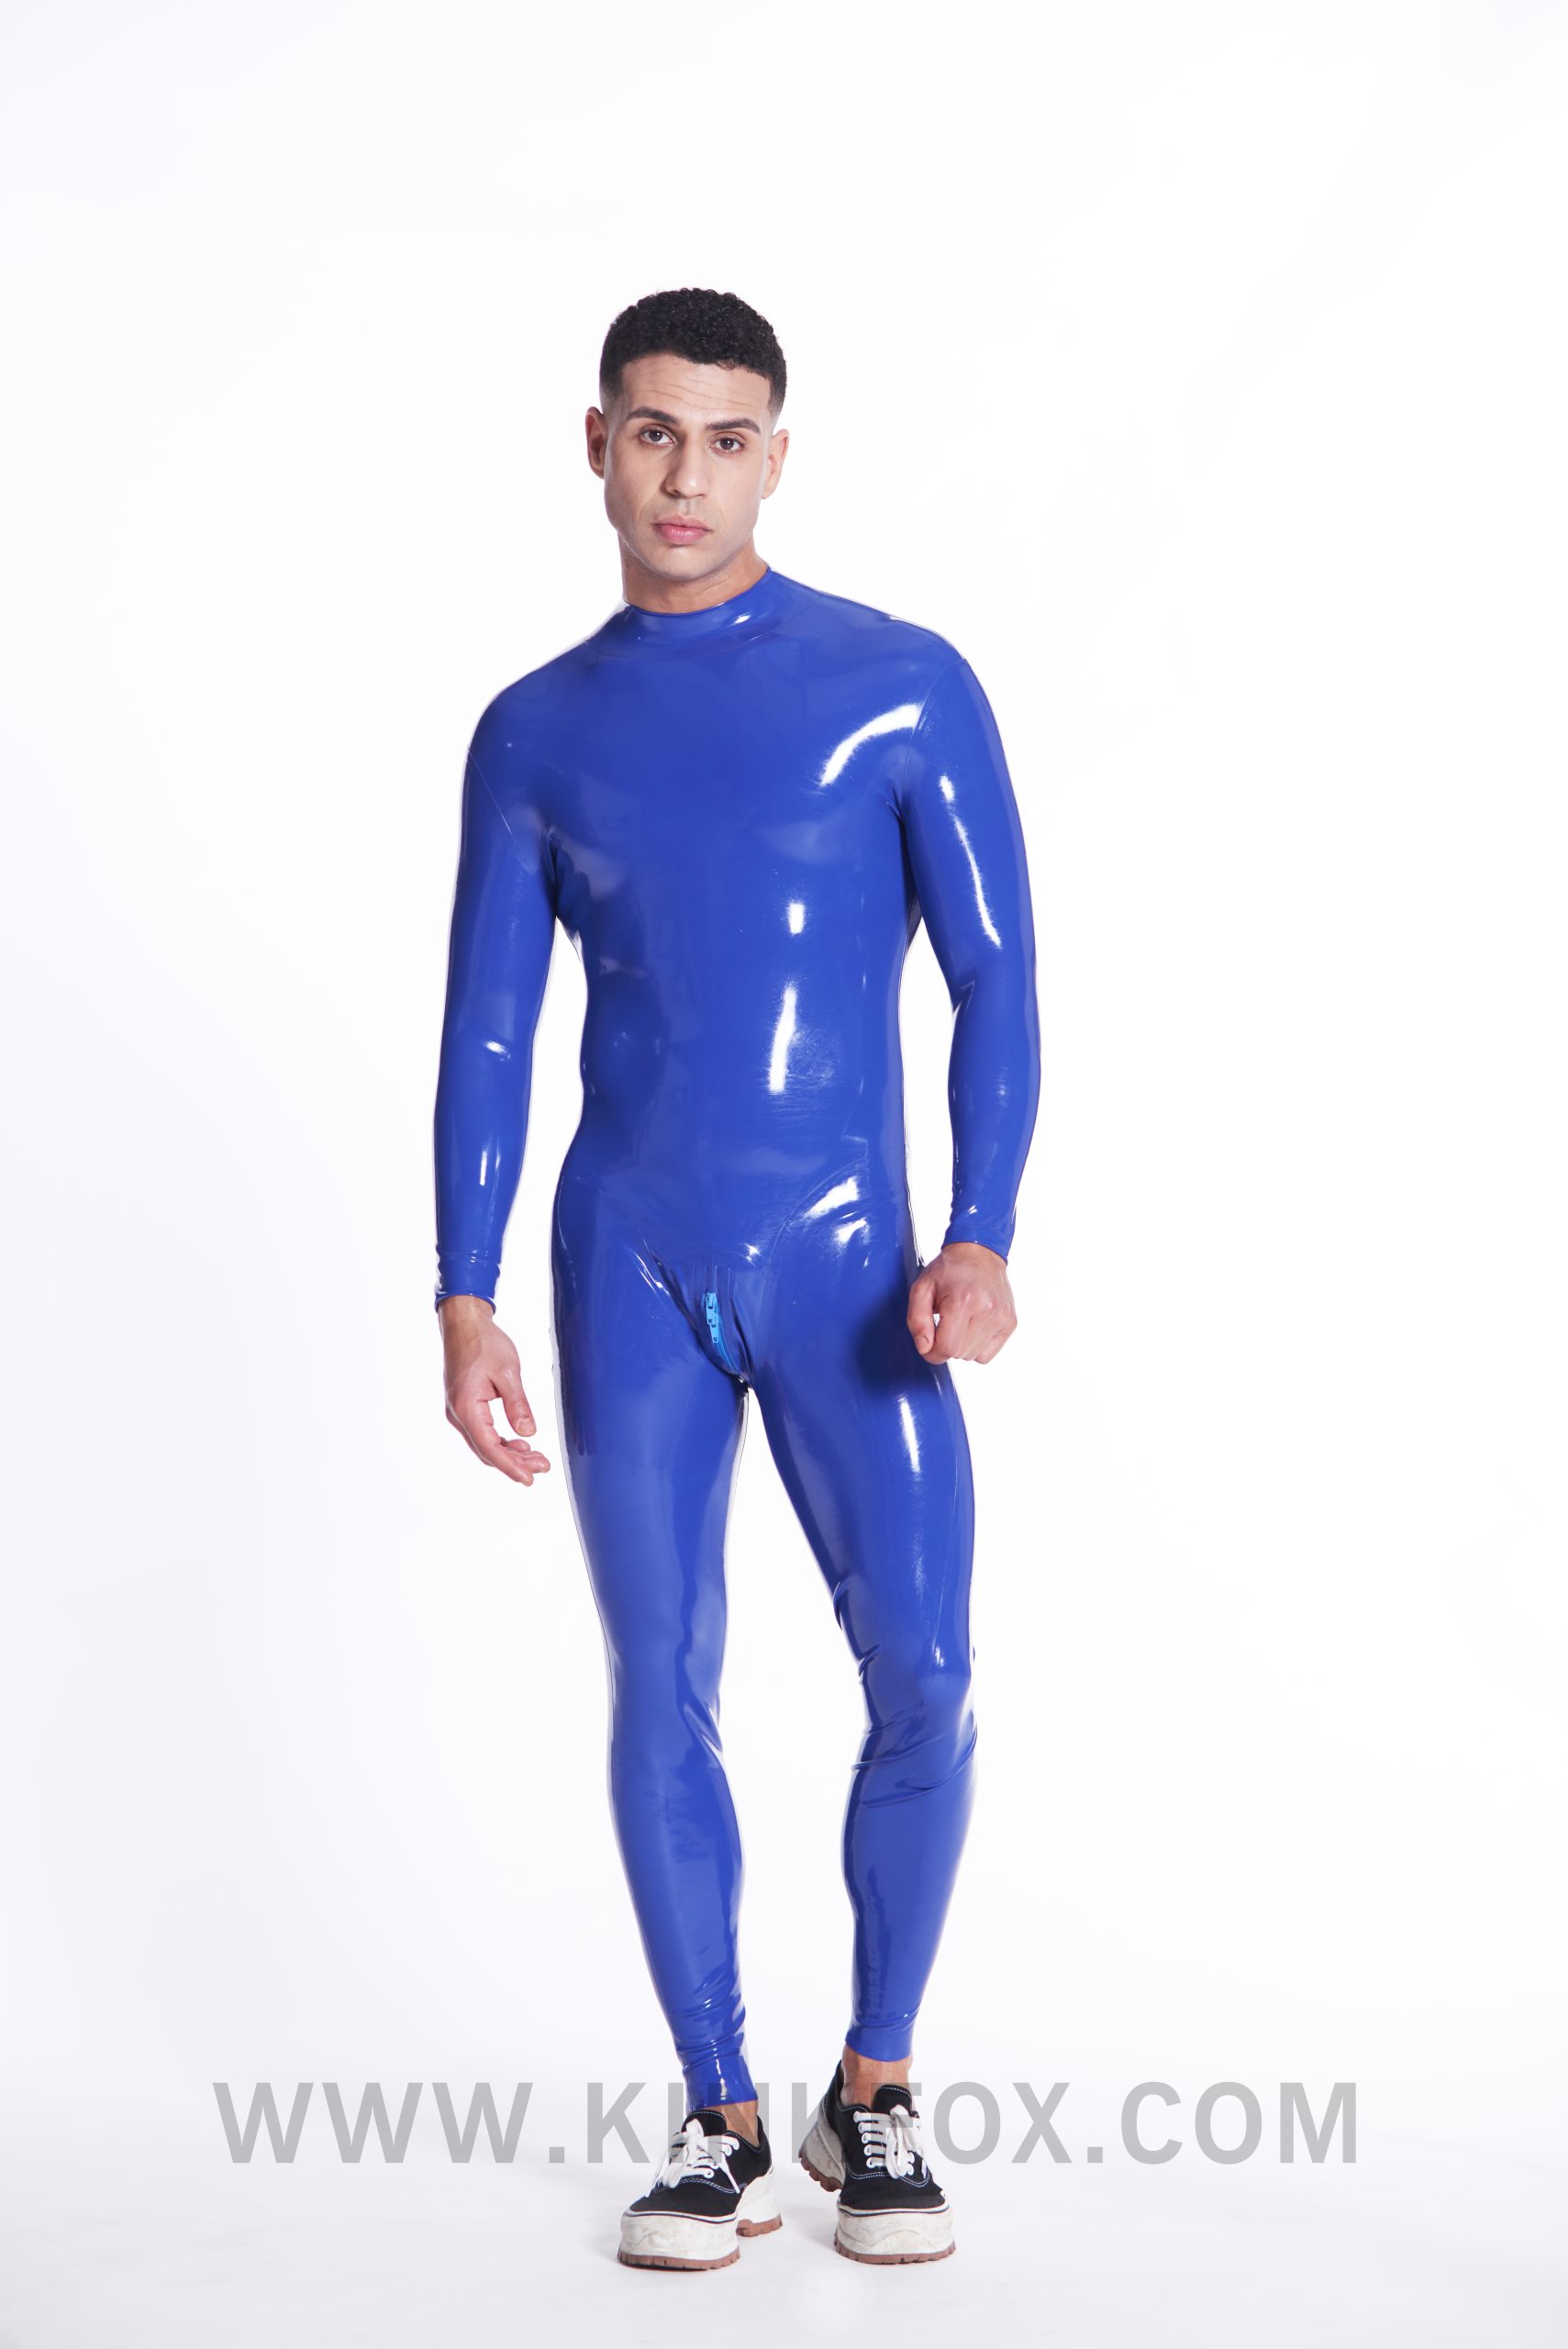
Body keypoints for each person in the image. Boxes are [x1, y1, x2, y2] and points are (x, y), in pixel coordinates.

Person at [432, 286, 1041, 2270]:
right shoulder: (535, 729)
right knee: (661, 1679)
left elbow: (997, 976)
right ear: (595, 447)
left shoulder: (900, 683)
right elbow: (491, 1031)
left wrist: (981, 1233)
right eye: (650, 433)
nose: (683, 476)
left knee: (926, 1670)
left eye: (723, 439)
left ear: (776, 456)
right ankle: (717, 2112)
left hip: (853, 1260)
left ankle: (876, 2086)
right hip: (630, 1256)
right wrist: (461, 1288)